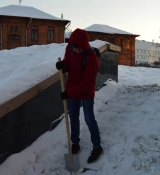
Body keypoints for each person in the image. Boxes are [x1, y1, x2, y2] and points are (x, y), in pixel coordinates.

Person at [55, 28, 103, 163]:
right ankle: (75, 143)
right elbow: (68, 64)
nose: (76, 50)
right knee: (73, 117)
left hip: (86, 92)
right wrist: (62, 66)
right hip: (72, 89)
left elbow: (87, 82)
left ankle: (97, 147)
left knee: (89, 118)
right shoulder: (70, 48)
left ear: (83, 45)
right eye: (74, 47)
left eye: (78, 48)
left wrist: (69, 93)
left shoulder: (91, 57)